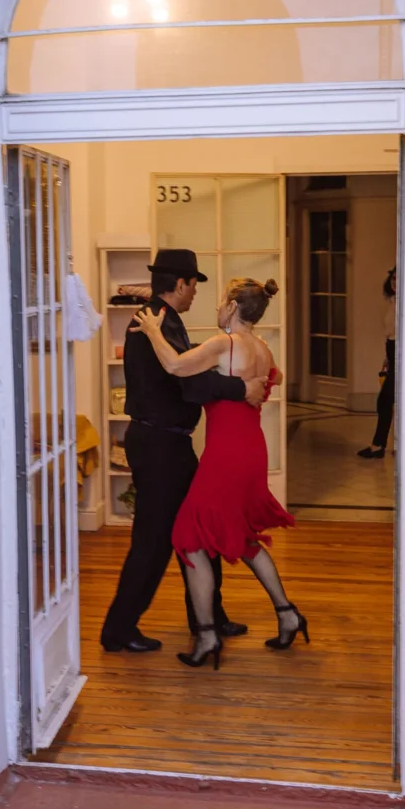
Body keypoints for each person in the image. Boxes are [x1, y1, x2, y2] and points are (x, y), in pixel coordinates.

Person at [132, 276, 309, 671]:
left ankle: (208, 634)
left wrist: (152, 331)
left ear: (231, 306)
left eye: (220, 302)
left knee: (188, 538)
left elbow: (176, 366)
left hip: (226, 455)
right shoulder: (262, 348)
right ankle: (287, 614)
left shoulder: (224, 344)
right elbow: (263, 384)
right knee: (244, 536)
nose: (215, 308)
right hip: (251, 450)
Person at [100, 249, 267, 654]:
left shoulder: (163, 320)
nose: (195, 293)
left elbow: (188, 369)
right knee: (154, 540)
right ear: (180, 284)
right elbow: (187, 382)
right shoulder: (153, 322)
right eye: (193, 284)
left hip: (168, 444)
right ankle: (119, 630)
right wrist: (239, 387)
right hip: (159, 446)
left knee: (197, 530)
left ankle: (208, 619)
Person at [358, 266, 396, 460]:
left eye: (398, 279)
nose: (394, 283)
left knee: (385, 400)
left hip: (401, 353)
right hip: (392, 350)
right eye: (392, 279)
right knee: (387, 400)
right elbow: (390, 335)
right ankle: (379, 445)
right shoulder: (392, 302)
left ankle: (379, 445)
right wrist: (387, 359)